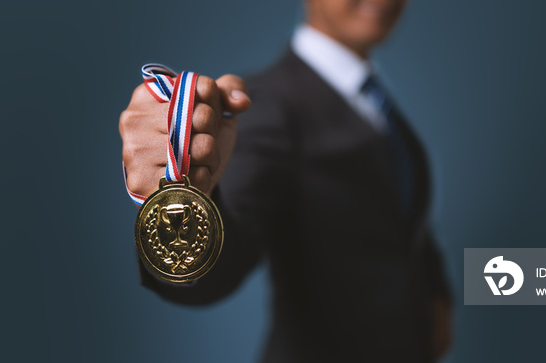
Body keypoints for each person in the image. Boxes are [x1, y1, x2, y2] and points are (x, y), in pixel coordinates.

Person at [119, 0, 453, 361]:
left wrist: (437, 294)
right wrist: (175, 203)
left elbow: (399, 213)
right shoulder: (267, 106)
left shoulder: (376, 99)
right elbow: (213, 275)